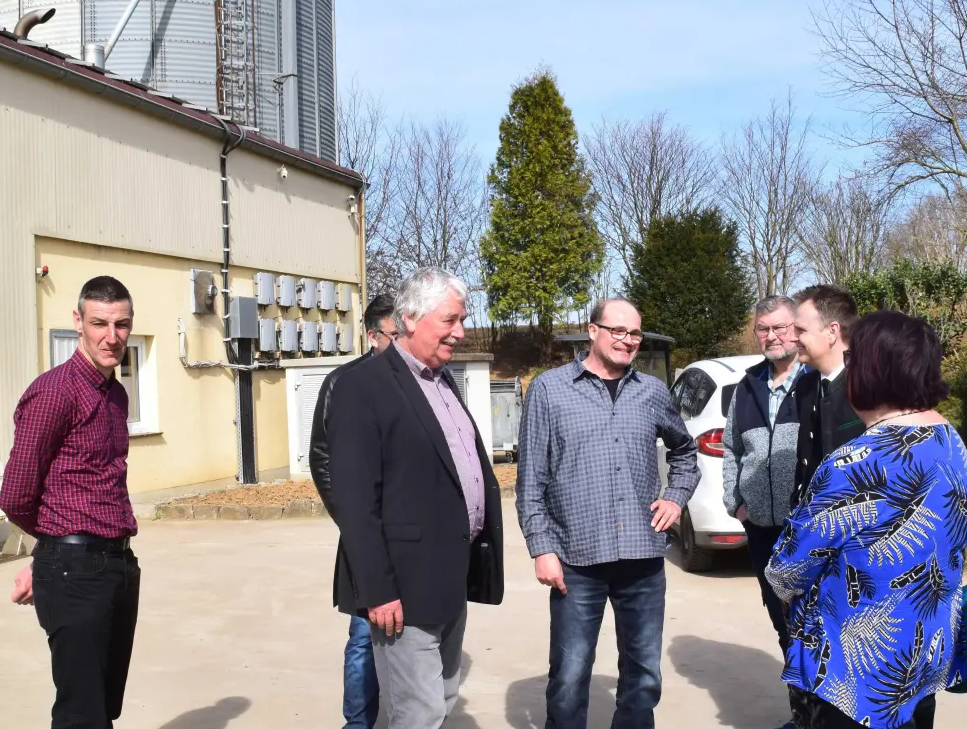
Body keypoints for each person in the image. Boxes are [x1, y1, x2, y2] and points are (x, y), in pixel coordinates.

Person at [766, 311, 967, 729]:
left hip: (857, 677)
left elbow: (787, 571)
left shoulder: (855, 462)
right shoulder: (951, 441)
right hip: (925, 653)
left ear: (871, 372)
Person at [327, 268, 505, 729]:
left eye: (462, 320)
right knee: (417, 714)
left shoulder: (441, 381)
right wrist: (378, 590)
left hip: (449, 580)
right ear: (410, 317)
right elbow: (355, 501)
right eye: (450, 320)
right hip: (401, 591)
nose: (461, 332)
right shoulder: (362, 386)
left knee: (442, 701)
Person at [516, 297, 701, 729]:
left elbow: (685, 451)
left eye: (634, 333)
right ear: (593, 330)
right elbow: (531, 479)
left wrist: (675, 496)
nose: (627, 341)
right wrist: (542, 548)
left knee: (643, 676)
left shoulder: (652, 392)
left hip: (642, 559)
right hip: (575, 560)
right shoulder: (550, 389)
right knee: (569, 675)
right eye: (617, 330)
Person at [1, 276, 143, 729]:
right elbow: (17, 493)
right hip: (76, 573)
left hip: (117, 565)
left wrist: (46, 557)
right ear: (77, 322)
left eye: (122, 324)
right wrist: (55, 552)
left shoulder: (115, 394)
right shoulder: (54, 392)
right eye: (100, 323)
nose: (112, 336)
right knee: (81, 714)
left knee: (104, 705)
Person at [310, 292, 398, 729]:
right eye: (392, 335)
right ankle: (358, 722)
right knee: (364, 635)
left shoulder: (422, 381)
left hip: (414, 535)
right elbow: (321, 457)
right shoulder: (344, 383)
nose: (399, 344)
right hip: (366, 531)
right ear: (371, 335)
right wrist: (352, 516)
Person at [722, 294, 803, 663]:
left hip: (805, 529)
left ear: (797, 330)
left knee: (814, 622)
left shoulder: (817, 382)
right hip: (760, 529)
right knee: (780, 619)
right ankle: (802, 715)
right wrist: (735, 503)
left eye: (779, 328)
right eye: (763, 329)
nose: (771, 336)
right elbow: (731, 449)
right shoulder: (747, 387)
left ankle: (821, 716)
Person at [789, 285, 864, 502]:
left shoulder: (869, 388)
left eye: (801, 330)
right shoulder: (805, 386)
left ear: (832, 331)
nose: (793, 338)